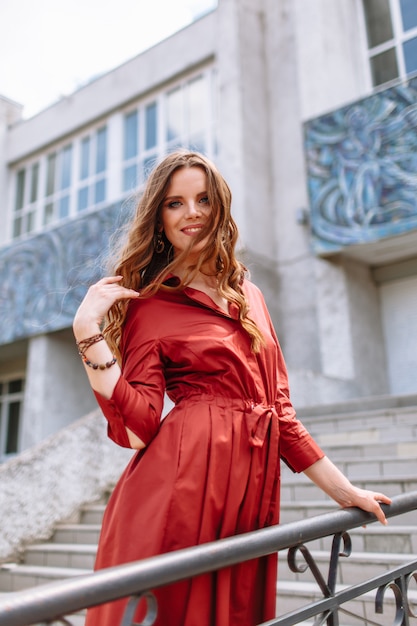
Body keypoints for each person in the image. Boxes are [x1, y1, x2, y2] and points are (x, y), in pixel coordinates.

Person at [73, 150, 391, 626]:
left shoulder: (250, 294)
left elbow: (278, 409)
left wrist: (344, 491)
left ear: (219, 205)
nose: (192, 212)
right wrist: (87, 332)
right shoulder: (150, 305)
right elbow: (139, 428)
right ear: (159, 218)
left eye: (203, 198)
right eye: (175, 203)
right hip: (179, 493)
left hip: (248, 488)